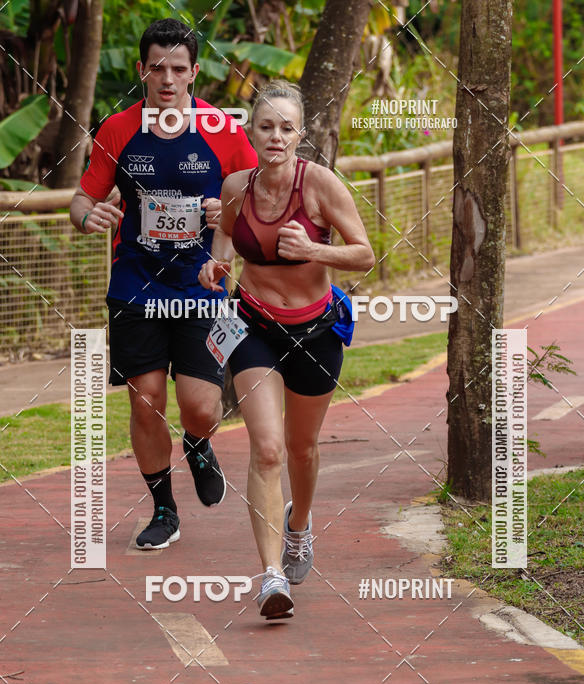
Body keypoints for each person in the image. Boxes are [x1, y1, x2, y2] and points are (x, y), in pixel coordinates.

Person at [70, 18, 257, 549]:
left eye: (179, 68)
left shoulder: (223, 129)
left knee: (201, 406)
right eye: (158, 68)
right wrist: (88, 218)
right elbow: (83, 198)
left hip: (202, 284)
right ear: (142, 71)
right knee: (145, 398)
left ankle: (199, 444)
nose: (168, 79)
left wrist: (231, 213)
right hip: (135, 283)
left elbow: (256, 198)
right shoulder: (118, 129)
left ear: (195, 71)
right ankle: (164, 510)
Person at [199, 80, 375, 620]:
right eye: (266, 126)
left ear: (302, 134)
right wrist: (218, 261)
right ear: (251, 130)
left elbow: (365, 254)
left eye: (286, 127)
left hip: (315, 332)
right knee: (268, 448)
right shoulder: (235, 186)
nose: (275, 136)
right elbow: (227, 233)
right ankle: (272, 576)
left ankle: (299, 526)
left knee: (302, 448)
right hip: (252, 328)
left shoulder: (320, 186)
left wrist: (314, 248)